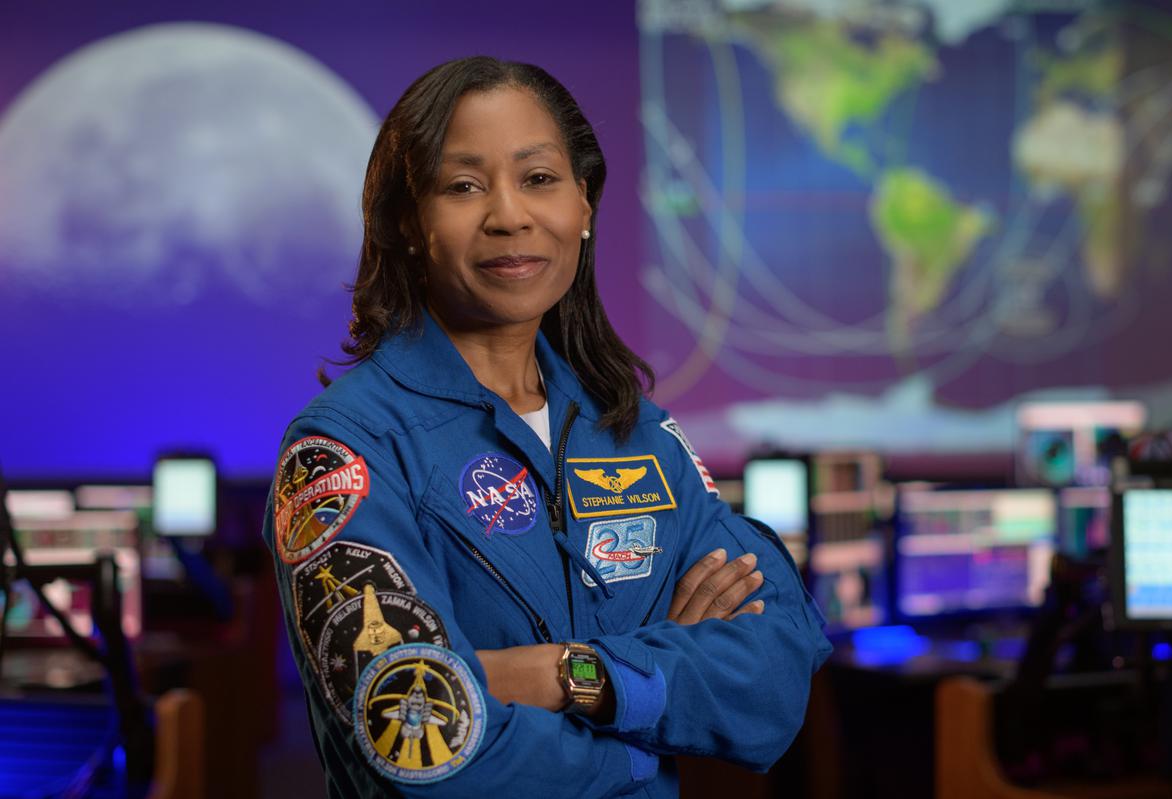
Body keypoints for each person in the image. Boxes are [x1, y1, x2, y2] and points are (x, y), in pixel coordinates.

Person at [263, 55, 831, 797]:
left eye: (538, 178)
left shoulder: (639, 434)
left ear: (583, 205)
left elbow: (773, 682)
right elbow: (414, 730)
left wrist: (569, 674)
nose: (509, 216)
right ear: (408, 223)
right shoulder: (344, 450)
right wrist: (639, 752)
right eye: (463, 186)